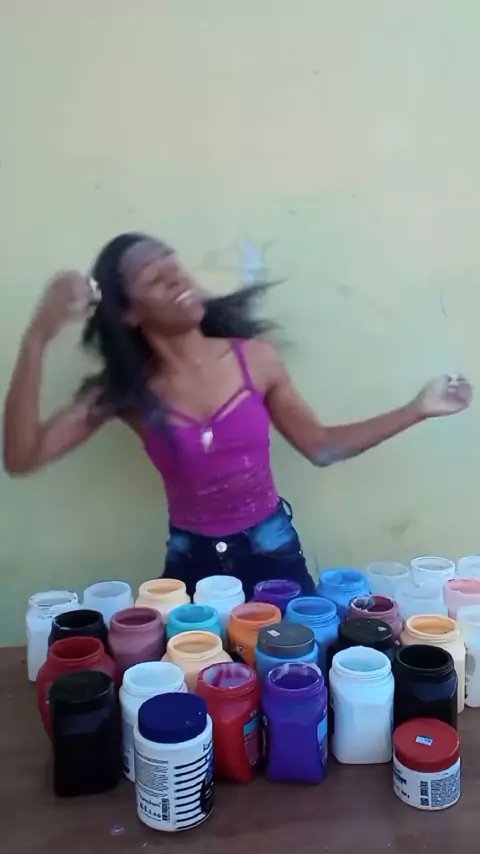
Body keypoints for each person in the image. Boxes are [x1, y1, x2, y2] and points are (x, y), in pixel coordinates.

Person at [4, 233, 473, 599]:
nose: (179, 280)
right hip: (191, 563)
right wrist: (38, 336)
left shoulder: (256, 360)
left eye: (177, 268)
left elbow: (322, 448)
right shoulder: (124, 392)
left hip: (274, 553)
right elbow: (22, 456)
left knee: (297, 674)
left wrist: (418, 409)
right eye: (157, 279)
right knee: (199, 683)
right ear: (129, 313)